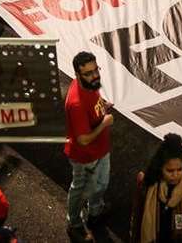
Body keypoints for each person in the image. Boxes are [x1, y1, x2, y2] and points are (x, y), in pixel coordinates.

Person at [65, 51, 113, 242]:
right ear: (78, 74)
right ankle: (74, 224)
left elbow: (93, 101)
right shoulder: (75, 103)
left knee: (100, 184)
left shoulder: (88, 84)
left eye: (96, 70)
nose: (95, 76)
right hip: (85, 157)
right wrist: (105, 123)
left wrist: (102, 105)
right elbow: (83, 139)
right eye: (89, 73)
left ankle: (95, 213)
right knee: (80, 190)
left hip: (100, 150)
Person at [129, 133, 182, 243]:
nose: (175, 174)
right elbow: (137, 219)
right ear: (161, 168)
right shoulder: (148, 186)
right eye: (170, 170)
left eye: (179, 169)